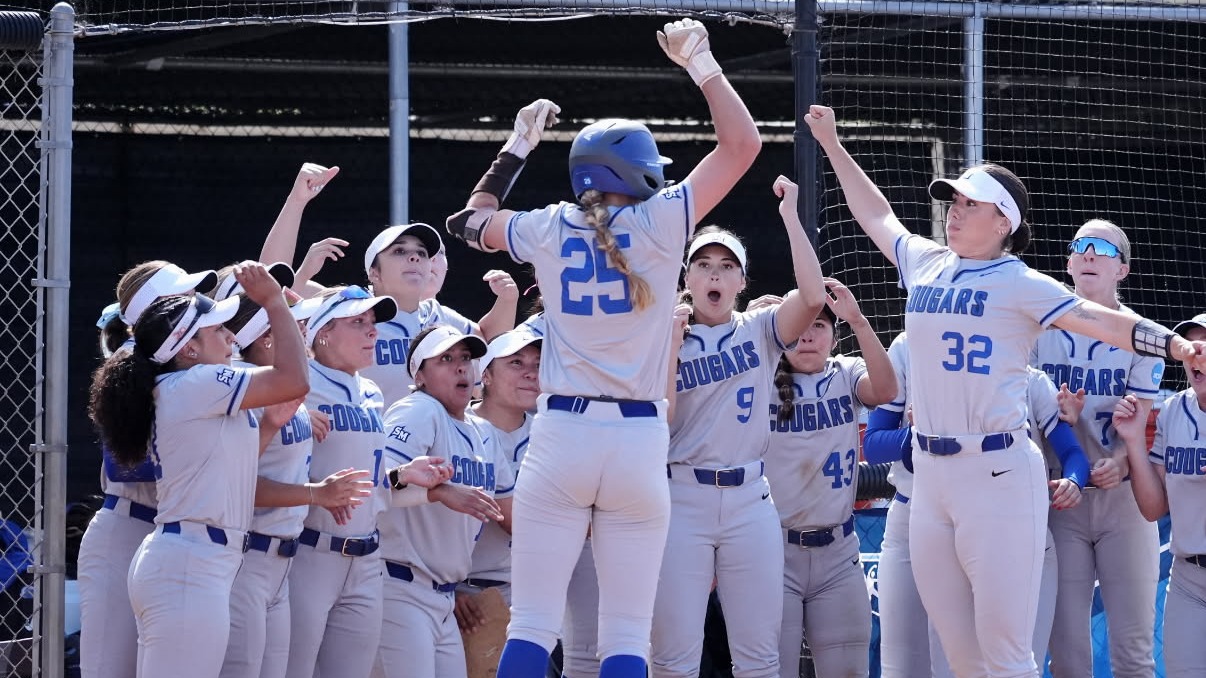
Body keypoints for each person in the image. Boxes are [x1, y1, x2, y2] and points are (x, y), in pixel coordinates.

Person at [804, 104, 1206, 678]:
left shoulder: (1020, 281)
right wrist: (833, 145)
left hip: (997, 476)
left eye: (972, 203)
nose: (956, 211)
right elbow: (879, 215)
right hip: (931, 482)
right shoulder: (925, 262)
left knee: (1006, 657)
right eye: (956, 201)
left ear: (1004, 222)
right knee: (959, 656)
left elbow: (1101, 321)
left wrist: (1173, 345)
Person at [445, 17, 761, 678]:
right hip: (639, 439)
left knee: (533, 626)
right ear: (637, 171)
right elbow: (742, 145)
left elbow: (466, 222)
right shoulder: (662, 217)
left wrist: (515, 148)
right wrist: (703, 66)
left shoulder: (547, 226)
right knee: (624, 635)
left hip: (560, 434)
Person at [87, 262, 309, 678]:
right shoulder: (196, 383)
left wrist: (271, 425)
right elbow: (295, 378)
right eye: (217, 330)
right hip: (188, 560)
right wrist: (274, 303)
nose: (230, 337)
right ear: (188, 348)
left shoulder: (195, 385)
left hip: (195, 556)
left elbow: (231, 469)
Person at [651, 176, 826, 678]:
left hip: (751, 497)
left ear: (741, 283)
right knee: (672, 655)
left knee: (759, 655)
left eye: (727, 267)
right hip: (682, 496)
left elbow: (813, 296)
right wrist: (666, 344)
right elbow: (658, 423)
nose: (715, 274)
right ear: (687, 278)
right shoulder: (664, 336)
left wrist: (791, 217)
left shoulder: (760, 328)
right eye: (703, 264)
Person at [864, 333, 1089, 677]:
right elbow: (877, 447)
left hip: (1009, 526)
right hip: (918, 515)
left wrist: (1074, 480)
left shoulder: (1030, 380)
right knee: (912, 668)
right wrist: (920, 437)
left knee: (1013, 662)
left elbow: (1072, 452)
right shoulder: (910, 348)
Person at [283, 285, 455, 678]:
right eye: (358, 322)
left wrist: (401, 475)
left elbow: (367, 479)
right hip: (310, 551)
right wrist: (292, 413)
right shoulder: (297, 383)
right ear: (322, 331)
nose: (372, 331)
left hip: (365, 560)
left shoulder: (372, 392)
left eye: (373, 322)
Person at [255, 163, 518, 407]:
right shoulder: (348, 307)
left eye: (422, 253)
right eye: (399, 251)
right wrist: (297, 202)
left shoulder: (438, 316)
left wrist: (507, 300)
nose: (414, 256)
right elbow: (269, 281)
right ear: (374, 273)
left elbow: (489, 338)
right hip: (361, 445)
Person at [218, 286, 375, 678]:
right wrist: (315, 494)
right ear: (267, 336)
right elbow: (230, 483)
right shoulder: (239, 385)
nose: (299, 330)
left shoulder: (344, 391)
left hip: (287, 560)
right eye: (292, 324)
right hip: (251, 552)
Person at [1031, 219, 1163, 678]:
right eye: (1079, 246)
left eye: (1102, 248)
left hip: (1122, 504)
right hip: (1060, 502)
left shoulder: (1144, 335)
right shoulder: (1035, 329)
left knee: (1133, 653)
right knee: (1067, 654)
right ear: (1068, 262)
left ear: (1122, 270)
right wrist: (1056, 419)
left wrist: (1123, 462)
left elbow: (1143, 427)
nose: (1088, 254)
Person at [79, 260, 217, 678]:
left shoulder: (195, 365)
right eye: (181, 295)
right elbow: (127, 466)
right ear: (148, 308)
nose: (195, 303)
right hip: (128, 529)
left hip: (177, 540)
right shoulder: (127, 361)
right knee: (111, 669)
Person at [761, 284, 895, 678]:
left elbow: (887, 390)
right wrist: (753, 321)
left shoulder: (846, 371)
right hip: (773, 552)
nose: (806, 335)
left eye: (818, 325)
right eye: (798, 325)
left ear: (834, 336)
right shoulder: (760, 377)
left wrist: (856, 318)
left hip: (838, 554)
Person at [373, 325, 516, 678]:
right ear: (419, 377)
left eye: (466, 358)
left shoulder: (482, 432)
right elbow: (379, 484)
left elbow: (511, 515)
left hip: (445, 597)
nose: (460, 367)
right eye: (446, 359)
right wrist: (439, 492)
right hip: (398, 587)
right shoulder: (418, 410)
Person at [1114, 314, 1206, 677]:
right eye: (1190, 348)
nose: (1195, 356)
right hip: (1188, 582)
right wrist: (1134, 441)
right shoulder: (1172, 412)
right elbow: (1153, 509)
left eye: (1204, 347)